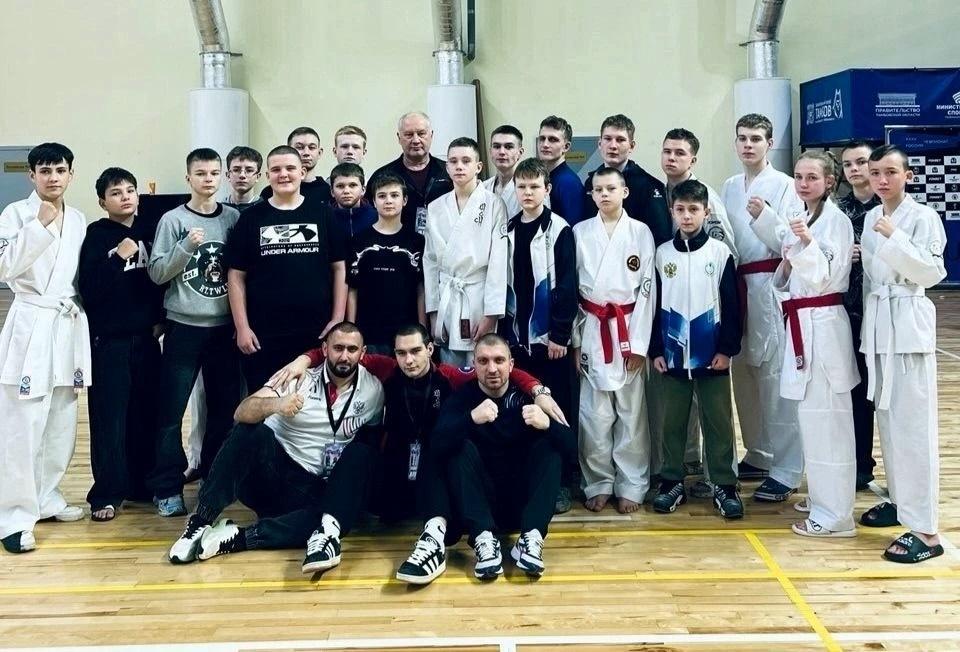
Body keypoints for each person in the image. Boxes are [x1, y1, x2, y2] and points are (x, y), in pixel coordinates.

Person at [268, 323, 564, 584]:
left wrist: (537, 390)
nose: (408, 360)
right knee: (360, 452)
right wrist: (305, 359)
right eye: (401, 353)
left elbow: (495, 370)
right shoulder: (387, 369)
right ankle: (328, 535)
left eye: (415, 351)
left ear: (430, 350)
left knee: (441, 446)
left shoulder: (450, 376)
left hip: (435, 486)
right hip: (394, 487)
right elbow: (343, 353)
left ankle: (435, 540)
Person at [167, 322, 385, 572]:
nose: (344, 356)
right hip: (271, 475)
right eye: (338, 348)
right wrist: (277, 405)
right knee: (250, 431)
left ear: (362, 352)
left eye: (351, 349)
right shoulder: (297, 377)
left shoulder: (373, 391)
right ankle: (200, 522)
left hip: (311, 489)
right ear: (325, 349)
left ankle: (239, 538)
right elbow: (241, 411)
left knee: (332, 517)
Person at [755, 151, 859, 537]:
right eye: (798, 176)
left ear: (829, 181)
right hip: (801, 321)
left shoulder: (836, 221)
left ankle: (836, 517)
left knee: (829, 422)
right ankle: (822, 498)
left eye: (812, 177)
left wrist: (806, 242)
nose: (803, 183)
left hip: (824, 325)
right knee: (811, 421)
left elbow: (823, 277)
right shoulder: (803, 216)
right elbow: (788, 277)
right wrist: (790, 256)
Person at [0, 143, 90, 553]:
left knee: (61, 417)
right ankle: (14, 516)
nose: (53, 177)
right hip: (31, 323)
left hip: (66, 322)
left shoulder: (80, 218)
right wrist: (38, 225)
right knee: (23, 423)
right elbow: (4, 267)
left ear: (71, 174)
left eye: (60, 170)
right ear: (32, 175)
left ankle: (46, 496)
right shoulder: (15, 214)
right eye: (45, 170)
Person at [859, 145, 946, 563]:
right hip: (879, 325)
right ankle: (900, 502)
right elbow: (870, 278)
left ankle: (927, 530)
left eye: (890, 172)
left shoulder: (923, 217)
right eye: (875, 172)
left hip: (908, 322)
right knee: (889, 424)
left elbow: (931, 272)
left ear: (907, 176)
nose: (882, 180)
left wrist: (896, 238)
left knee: (914, 426)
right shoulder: (870, 217)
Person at [147, 147, 245, 517]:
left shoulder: (233, 218)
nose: (208, 179)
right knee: (170, 413)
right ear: (188, 177)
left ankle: (212, 483)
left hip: (223, 330)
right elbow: (157, 273)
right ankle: (167, 488)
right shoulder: (173, 220)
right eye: (200, 173)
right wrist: (186, 246)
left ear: (222, 177)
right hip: (184, 328)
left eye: (213, 173)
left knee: (223, 413)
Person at [431, 334, 576, 578]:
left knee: (550, 448)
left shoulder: (530, 398)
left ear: (511, 365)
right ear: (474, 365)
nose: (492, 368)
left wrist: (548, 426)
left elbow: (572, 451)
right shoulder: (462, 398)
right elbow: (436, 446)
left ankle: (531, 537)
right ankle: (483, 539)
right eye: (483, 361)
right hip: (479, 507)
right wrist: (470, 419)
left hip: (522, 506)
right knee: (458, 447)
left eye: (499, 360)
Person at [720, 113, 804, 502]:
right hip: (736, 285)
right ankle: (758, 452)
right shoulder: (729, 186)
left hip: (770, 283)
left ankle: (786, 468)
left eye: (756, 138)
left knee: (773, 377)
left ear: (769, 143)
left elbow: (791, 240)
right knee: (744, 375)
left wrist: (765, 216)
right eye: (742, 138)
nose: (748, 144)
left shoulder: (785, 185)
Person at [649, 179, 743, 519]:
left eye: (693, 209)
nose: (687, 216)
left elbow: (732, 306)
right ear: (672, 212)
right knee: (671, 423)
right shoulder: (662, 254)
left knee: (718, 422)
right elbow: (653, 303)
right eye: (680, 209)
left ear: (706, 211)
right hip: (672, 354)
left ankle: (724, 483)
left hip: (711, 352)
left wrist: (727, 349)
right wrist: (656, 349)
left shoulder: (719, 254)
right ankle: (671, 480)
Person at [78, 167, 165, 522]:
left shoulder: (151, 229)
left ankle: (141, 485)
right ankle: (107, 493)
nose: (125, 197)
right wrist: (117, 257)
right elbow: (90, 289)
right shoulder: (96, 235)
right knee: (110, 419)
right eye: (116, 193)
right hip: (109, 342)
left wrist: (161, 318)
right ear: (103, 202)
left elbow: (161, 280)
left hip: (147, 339)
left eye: (130, 190)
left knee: (146, 415)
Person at [225, 145, 348, 390]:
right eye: (276, 170)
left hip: (315, 332)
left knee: (311, 401)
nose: (283, 174)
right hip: (263, 334)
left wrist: (337, 319)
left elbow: (339, 268)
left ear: (302, 172)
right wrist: (242, 327)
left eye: (290, 168)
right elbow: (235, 276)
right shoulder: (251, 218)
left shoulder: (323, 213)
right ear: (267, 175)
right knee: (264, 402)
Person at [573, 167, 656, 514]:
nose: (604, 194)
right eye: (598, 189)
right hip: (593, 327)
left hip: (627, 327)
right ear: (591, 194)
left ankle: (632, 484)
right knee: (593, 415)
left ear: (625, 192)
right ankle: (598, 482)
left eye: (611, 188)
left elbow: (648, 291)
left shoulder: (640, 232)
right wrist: (576, 341)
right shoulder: (580, 232)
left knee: (631, 414)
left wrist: (639, 345)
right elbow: (574, 292)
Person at [500, 157, 580, 514]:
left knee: (557, 408)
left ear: (547, 190)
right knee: (522, 410)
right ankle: (528, 478)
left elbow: (567, 286)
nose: (528, 193)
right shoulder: (508, 229)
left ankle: (562, 480)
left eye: (534, 186)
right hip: (517, 340)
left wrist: (560, 335)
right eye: (522, 187)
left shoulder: (559, 229)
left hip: (550, 342)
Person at [423, 137, 509, 366]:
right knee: (448, 365)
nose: (459, 166)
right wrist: (433, 311)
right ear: (447, 167)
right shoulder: (435, 207)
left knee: (482, 360)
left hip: (478, 296)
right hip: (447, 294)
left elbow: (499, 262)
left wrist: (491, 313)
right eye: (453, 161)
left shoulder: (494, 204)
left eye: (466, 161)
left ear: (478, 166)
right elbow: (430, 262)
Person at [838, 141, 881, 490]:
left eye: (861, 162)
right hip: (848, 313)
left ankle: (902, 472)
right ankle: (860, 463)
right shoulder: (837, 211)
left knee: (888, 394)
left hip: (885, 313)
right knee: (857, 392)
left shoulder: (889, 209)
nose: (854, 169)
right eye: (848, 164)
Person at [348, 173, 425, 355]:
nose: (388, 201)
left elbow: (421, 289)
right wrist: (351, 331)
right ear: (373, 202)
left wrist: (423, 330)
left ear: (404, 200)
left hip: (407, 334)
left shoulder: (417, 241)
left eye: (394, 195)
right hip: (369, 333)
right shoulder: (358, 240)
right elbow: (352, 289)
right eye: (382, 196)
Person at [581, 114, 673, 245]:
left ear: (631, 146)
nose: (613, 145)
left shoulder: (649, 186)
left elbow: (660, 238)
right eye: (608, 139)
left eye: (620, 140)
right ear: (600, 144)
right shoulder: (590, 182)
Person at [368, 112, 452, 234]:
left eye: (421, 133)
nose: (416, 140)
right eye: (408, 135)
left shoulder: (449, 172)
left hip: (443, 242)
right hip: (398, 243)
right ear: (399, 137)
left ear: (431, 135)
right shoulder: (382, 176)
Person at [536, 115, 586, 225]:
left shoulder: (568, 182)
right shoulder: (543, 178)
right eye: (542, 139)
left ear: (566, 147)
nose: (545, 144)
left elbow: (573, 228)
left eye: (553, 140)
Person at [261, 127, 331, 204]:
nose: (306, 153)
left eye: (311, 147)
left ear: (319, 153)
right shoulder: (270, 192)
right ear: (289, 150)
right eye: (300, 147)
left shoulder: (329, 191)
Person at [482, 125, 523, 217]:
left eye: (508, 147)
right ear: (490, 151)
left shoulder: (531, 188)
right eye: (496, 146)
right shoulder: (483, 188)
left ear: (520, 153)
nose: (502, 152)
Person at [329, 162, 377, 240]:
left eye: (352, 185)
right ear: (332, 192)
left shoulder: (377, 217)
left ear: (363, 190)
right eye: (340, 186)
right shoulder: (323, 219)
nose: (346, 191)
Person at [223, 145, 263, 212]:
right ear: (228, 175)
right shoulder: (217, 211)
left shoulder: (267, 211)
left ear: (258, 176)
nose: (242, 175)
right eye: (236, 170)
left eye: (249, 170)